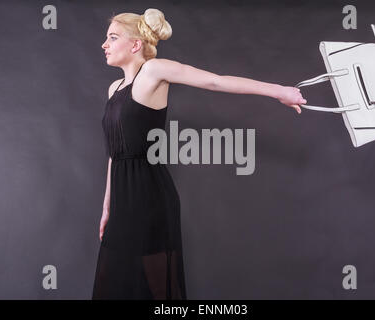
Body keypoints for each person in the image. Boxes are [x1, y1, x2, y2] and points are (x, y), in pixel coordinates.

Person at [92, 8, 306, 300]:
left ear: (135, 44)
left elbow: (214, 81)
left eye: (112, 37)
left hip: (150, 197)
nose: (105, 44)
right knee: (112, 284)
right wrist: (107, 207)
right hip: (122, 200)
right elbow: (114, 154)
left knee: (157, 290)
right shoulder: (113, 89)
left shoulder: (154, 71)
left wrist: (279, 91)